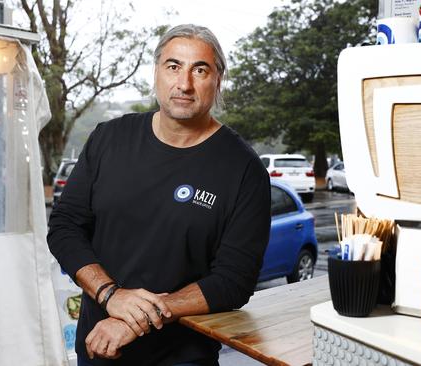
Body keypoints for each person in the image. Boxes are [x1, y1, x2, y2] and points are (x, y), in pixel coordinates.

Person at [47, 24, 271, 366]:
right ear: (156, 73)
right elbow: (64, 227)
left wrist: (134, 318)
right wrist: (110, 295)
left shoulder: (244, 170)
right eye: (173, 66)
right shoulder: (109, 139)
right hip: (99, 349)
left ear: (218, 80)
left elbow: (234, 281)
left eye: (200, 69)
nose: (184, 83)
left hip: (182, 357)